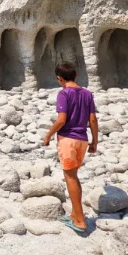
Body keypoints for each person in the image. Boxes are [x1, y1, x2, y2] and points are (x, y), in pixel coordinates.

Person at [42, 61, 98, 233]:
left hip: (68, 140)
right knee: (74, 175)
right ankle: (74, 214)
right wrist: (94, 141)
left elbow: (61, 120)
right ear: (76, 75)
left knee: (70, 177)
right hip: (82, 139)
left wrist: (48, 135)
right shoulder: (87, 94)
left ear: (59, 78)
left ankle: (80, 221)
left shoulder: (63, 94)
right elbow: (93, 120)